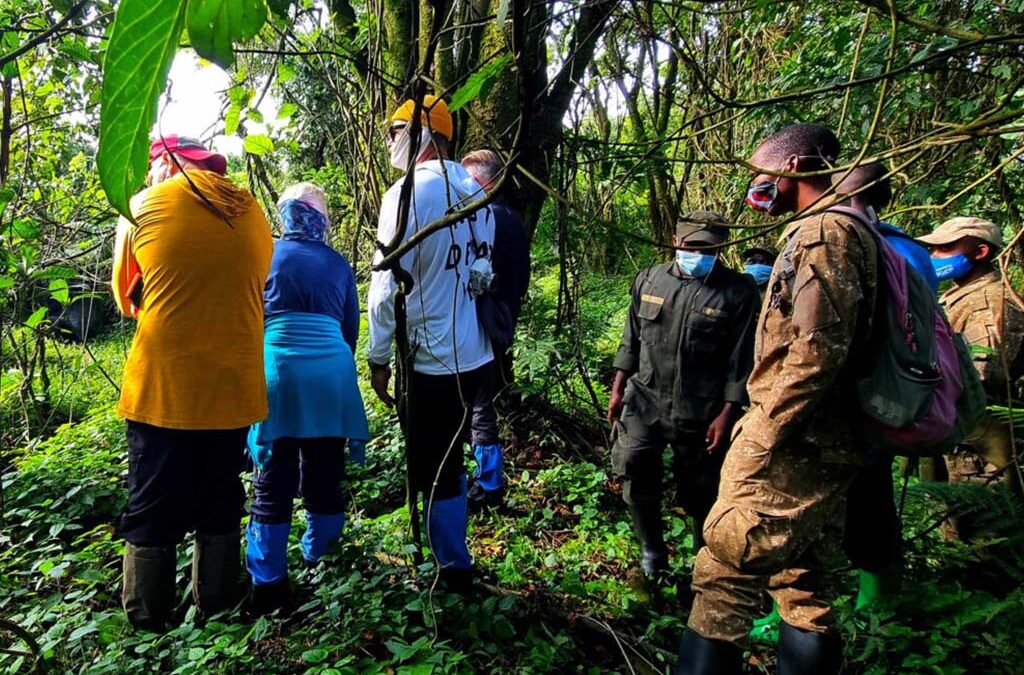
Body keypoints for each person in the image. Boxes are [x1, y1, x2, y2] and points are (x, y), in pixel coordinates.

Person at [677, 123, 878, 675]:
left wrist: (762, 432)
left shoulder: (822, 235)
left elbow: (815, 352)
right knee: (804, 584)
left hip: (792, 443)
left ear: (792, 169)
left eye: (761, 175)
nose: (755, 189)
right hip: (826, 441)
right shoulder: (854, 228)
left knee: (723, 571)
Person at [111, 135, 273, 632]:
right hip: (233, 388)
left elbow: (125, 297)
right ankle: (219, 608)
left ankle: (146, 622)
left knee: (152, 506)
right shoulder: (253, 211)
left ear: (167, 163)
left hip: (164, 387)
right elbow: (257, 284)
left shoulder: (140, 207)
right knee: (221, 499)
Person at [367, 95, 495, 591]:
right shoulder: (476, 189)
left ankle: (451, 568)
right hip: (475, 353)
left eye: (396, 130)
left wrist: (378, 359)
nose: (390, 141)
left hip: (432, 359)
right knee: (452, 455)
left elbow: (384, 291)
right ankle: (447, 553)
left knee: (434, 464)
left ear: (423, 134)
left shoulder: (405, 194)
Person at [608, 211, 758, 587]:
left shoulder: (738, 292)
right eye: (692, 247)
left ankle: (701, 560)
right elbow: (632, 339)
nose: (699, 254)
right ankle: (652, 552)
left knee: (701, 488)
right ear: (677, 242)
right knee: (634, 464)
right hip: (645, 398)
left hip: (702, 408)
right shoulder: (649, 279)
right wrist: (618, 387)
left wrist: (728, 412)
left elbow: (741, 360)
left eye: (709, 249)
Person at [244, 183, 369, 615]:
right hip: (331, 375)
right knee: (324, 472)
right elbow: (350, 329)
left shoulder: (265, 256)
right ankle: (324, 564)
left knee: (273, 479)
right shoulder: (338, 264)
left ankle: (268, 584)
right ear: (321, 219)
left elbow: (250, 320)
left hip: (278, 372)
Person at [917, 216, 1024, 536]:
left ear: (979, 253)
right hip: (960, 431)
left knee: (982, 531)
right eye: (933, 250)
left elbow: (983, 372)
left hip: (980, 438)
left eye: (946, 249)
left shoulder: (989, 301)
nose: (935, 257)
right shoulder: (960, 296)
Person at [460, 149, 530, 511]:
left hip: (480, 326)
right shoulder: (513, 219)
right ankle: (486, 481)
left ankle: (487, 485)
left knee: (476, 407)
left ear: (485, 181)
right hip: (500, 324)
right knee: (479, 406)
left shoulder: (488, 218)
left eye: (467, 181)